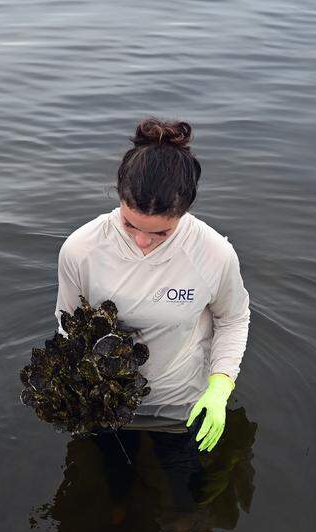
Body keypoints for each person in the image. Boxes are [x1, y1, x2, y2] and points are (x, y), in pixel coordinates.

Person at [55, 118, 250, 457]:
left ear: (184, 211)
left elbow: (233, 319)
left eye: (161, 233)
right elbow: (67, 321)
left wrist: (220, 386)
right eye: (129, 224)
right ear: (119, 197)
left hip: (180, 405)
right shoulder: (80, 249)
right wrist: (77, 385)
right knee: (113, 481)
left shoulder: (214, 254)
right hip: (107, 403)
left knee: (184, 491)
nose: (143, 241)